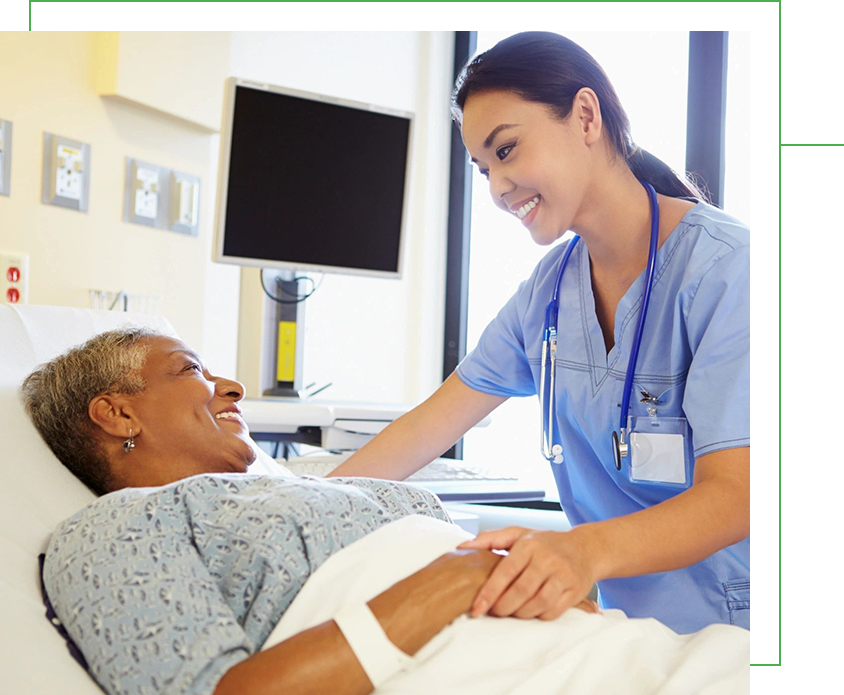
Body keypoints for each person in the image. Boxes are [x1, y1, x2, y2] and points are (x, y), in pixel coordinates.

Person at [329, 31, 750, 634]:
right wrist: (306, 502)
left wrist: (583, 552)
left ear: (585, 116)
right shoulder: (550, 292)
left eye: (505, 152)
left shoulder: (733, 267)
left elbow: (739, 496)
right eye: (482, 169)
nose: (498, 189)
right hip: (630, 635)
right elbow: (428, 426)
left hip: (749, 632)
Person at [22, 328, 602, 695]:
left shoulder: (313, 488)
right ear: (118, 414)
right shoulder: (114, 530)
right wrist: (451, 582)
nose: (234, 387)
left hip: (596, 654)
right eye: (191, 369)